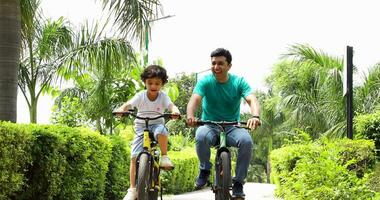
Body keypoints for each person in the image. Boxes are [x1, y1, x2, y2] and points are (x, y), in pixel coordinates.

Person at [186, 48, 260, 198]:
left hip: (232, 126)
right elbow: (194, 100)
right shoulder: (205, 82)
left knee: (246, 141)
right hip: (209, 125)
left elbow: (252, 99)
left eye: (220, 63)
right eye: (213, 63)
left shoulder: (239, 82)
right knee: (200, 136)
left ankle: (238, 182)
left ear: (229, 66)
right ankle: (205, 169)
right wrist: (190, 116)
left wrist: (256, 116)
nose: (216, 67)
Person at [115, 65, 181, 200]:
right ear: (145, 82)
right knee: (133, 158)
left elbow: (171, 106)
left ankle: (164, 157)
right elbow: (129, 104)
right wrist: (122, 109)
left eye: (157, 83)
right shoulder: (141, 96)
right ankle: (132, 189)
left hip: (157, 125)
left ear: (162, 84)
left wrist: (175, 111)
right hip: (141, 127)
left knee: (162, 130)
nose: (153, 86)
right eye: (150, 83)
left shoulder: (163, 96)